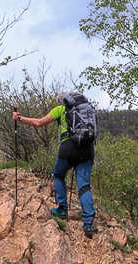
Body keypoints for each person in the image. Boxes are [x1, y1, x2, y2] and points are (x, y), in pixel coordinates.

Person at [12, 93, 97, 238]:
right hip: (88, 149)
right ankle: (88, 223)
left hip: (68, 148)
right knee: (84, 186)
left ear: (63, 102)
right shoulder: (88, 110)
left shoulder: (60, 109)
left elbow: (38, 123)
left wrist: (19, 118)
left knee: (58, 175)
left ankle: (62, 209)